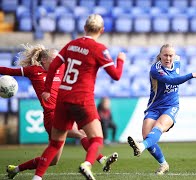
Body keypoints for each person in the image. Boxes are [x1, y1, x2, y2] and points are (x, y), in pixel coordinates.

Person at [3, 44, 118, 179]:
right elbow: (9, 70)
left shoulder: (62, 68)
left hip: (63, 114)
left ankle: (15, 169)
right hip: (51, 117)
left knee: (53, 161)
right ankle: (101, 159)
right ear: (45, 61)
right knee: (81, 133)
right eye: (55, 58)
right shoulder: (34, 71)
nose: (58, 60)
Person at [37, 14, 125, 180]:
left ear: (84, 28)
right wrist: (120, 60)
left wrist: (47, 90)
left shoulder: (71, 44)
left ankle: (37, 178)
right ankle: (87, 164)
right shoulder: (99, 49)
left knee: (55, 143)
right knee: (97, 138)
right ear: (102, 30)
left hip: (63, 97)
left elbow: (54, 65)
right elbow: (116, 76)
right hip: (82, 98)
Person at [127, 44, 196, 175]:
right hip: (154, 107)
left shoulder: (177, 61)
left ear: (174, 56)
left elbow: (176, 65)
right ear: (160, 56)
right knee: (147, 136)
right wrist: (191, 75)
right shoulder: (155, 70)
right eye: (165, 55)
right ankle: (164, 164)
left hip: (171, 106)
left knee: (158, 127)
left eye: (170, 55)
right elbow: (172, 81)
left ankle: (141, 146)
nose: (168, 58)